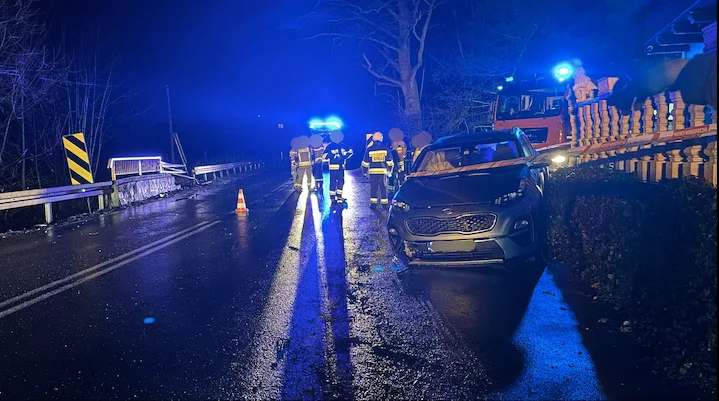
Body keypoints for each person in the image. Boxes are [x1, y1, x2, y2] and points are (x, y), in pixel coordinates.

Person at [362, 131, 394, 209]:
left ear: (373, 139)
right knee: (383, 188)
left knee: (373, 188)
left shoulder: (369, 149)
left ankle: (373, 204)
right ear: (381, 139)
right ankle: (384, 204)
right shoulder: (385, 148)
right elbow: (389, 161)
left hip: (373, 172)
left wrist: (365, 172)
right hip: (383, 172)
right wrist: (390, 171)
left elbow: (365, 162)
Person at [323, 130, 354, 204]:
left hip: (341, 167)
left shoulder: (342, 145)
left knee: (341, 181)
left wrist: (344, 157)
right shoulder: (330, 146)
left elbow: (350, 151)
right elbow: (324, 156)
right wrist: (332, 153)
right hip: (333, 167)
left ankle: (339, 196)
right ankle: (332, 197)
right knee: (333, 182)